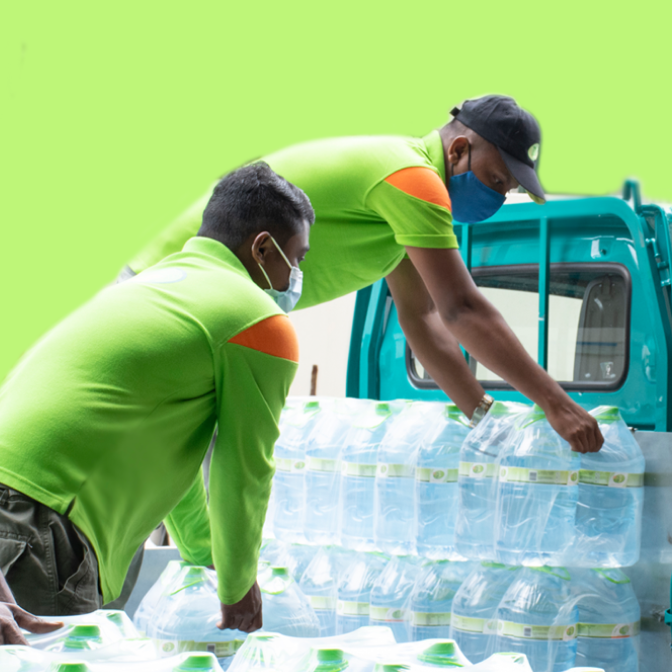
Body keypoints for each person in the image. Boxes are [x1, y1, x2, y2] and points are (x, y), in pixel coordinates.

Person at [125, 94, 603, 452]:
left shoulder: (402, 198)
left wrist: (484, 419)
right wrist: (556, 403)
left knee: (173, 466)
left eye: (509, 189)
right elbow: (461, 309)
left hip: (190, 303)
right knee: (164, 468)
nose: (498, 197)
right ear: (458, 150)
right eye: (497, 179)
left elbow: (423, 318)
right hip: (169, 292)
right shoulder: (412, 179)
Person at [0, 162, 313, 641]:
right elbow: (244, 470)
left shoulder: (147, 290)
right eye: (297, 257)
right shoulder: (257, 322)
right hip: (41, 524)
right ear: (263, 248)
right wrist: (238, 589)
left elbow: (169, 465)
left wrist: (203, 555)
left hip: (20, 508)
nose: (297, 275)